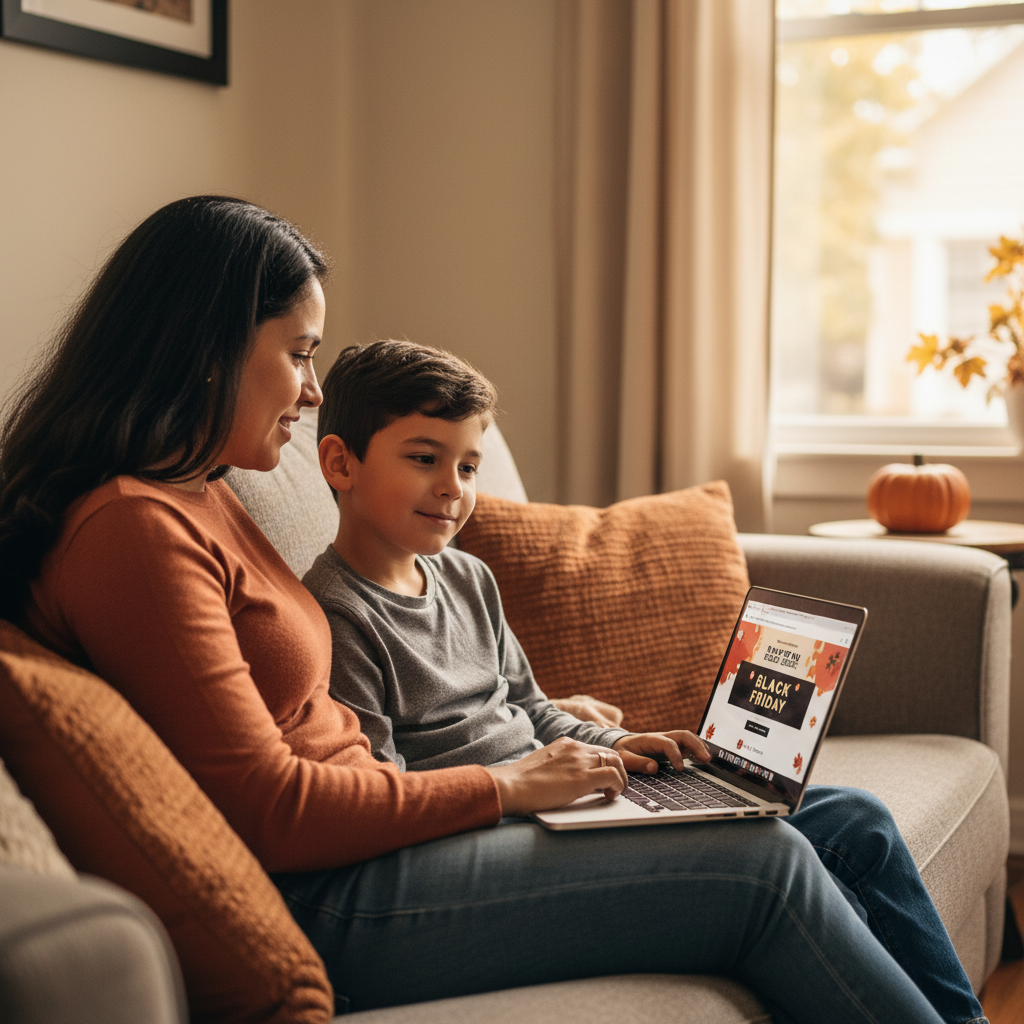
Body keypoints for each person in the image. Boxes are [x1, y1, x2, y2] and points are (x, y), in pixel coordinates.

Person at [0, 195, 978, 1024]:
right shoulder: (130, 531)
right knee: (760, 864)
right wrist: (511, 787)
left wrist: (582, 759)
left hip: (394, 842)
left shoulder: (197, 490)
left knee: (835, 820)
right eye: (297, 353)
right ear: (207, 347)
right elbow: (274, 810)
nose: (308, 389)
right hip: (337, 896)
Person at [303, 340, 987, 1024]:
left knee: (857, 822)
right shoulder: (336, 615)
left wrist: (622, 744)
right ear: (342, 462)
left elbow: (534, 712)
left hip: (554, 795)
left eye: (469, 465)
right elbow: (381, 799)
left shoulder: (466, 577)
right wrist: (525, 789)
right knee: (763, 852)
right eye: (424, 459)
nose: (453, 487)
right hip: (486, 830)